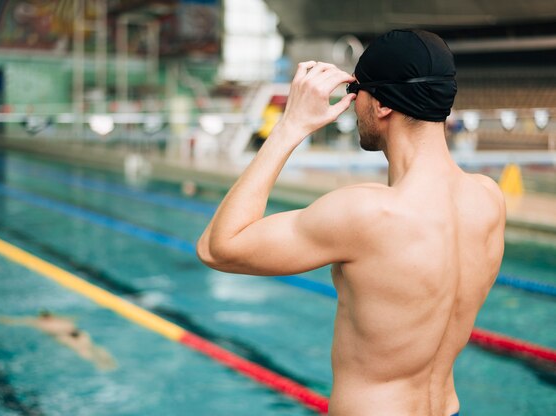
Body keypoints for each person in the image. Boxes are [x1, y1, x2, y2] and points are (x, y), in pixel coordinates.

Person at [197, 29, 505, 416]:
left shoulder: (367, 213)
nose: (352, 104)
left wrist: (289, 127)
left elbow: (217, 247)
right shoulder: (488, 200)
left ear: (381, 106)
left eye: (356, 93)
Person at [0, 310, 117, 371]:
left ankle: (99, 364)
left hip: (65, 336)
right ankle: (107, 361)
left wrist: (5, 320)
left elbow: (18, 321)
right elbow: (78, 317)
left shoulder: (38, 322)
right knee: (92, 347)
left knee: (82, 350)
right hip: (78, 333)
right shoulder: (61, 318)